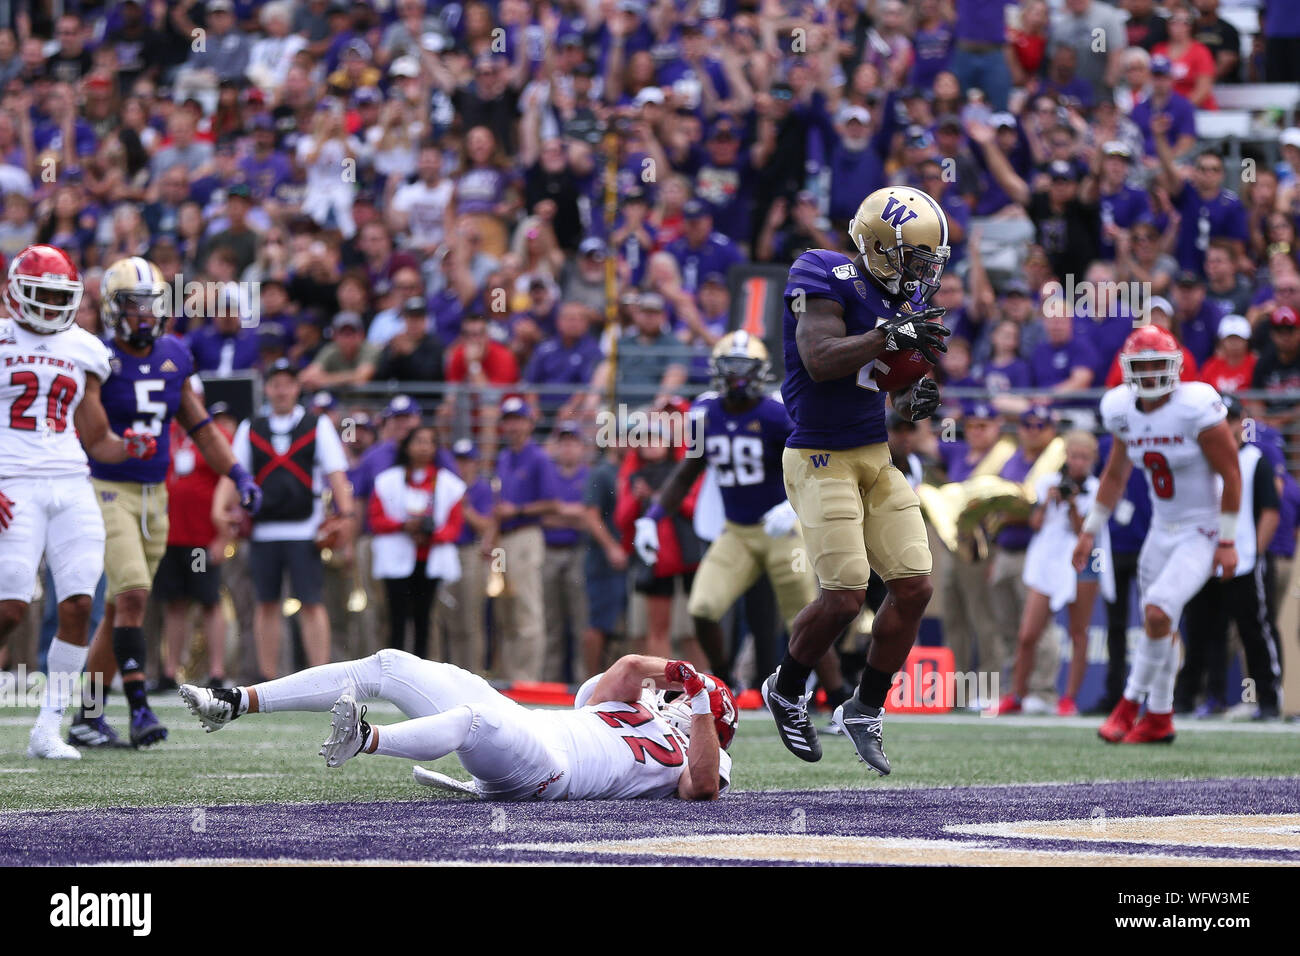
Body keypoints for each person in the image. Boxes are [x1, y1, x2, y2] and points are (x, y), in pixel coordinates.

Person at [763, 186, 951, 775]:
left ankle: (864, 707)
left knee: (915, 585)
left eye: (930, 255)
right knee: (844, 594)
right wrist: (886, 339)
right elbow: (820, 359)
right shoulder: (821, 270)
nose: (923, 267)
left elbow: (886, 373)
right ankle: (787, 686)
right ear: (877, 245)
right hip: (819, 454)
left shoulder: (909, 290)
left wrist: (912, 391)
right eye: (913, 254)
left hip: (873, 451)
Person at [75, 257, 262, 750]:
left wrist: (238, 472)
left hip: (156, 496)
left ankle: (86, 716)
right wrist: (121, 446)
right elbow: (92, 436)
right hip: (108, 488)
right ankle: (138, 709)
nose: (143, 314)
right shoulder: (95, 357)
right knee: (135, 595)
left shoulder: (175, 354)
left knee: (120, 608)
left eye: (151, 303)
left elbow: (200, 427)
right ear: (114, 309)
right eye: (133, 304)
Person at [180, 652, 734, 801]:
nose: (675, 700)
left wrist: (704, 705)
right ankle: (236, 700)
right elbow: (631, 669)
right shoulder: (630, 702)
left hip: (552, 774)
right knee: (393, 665)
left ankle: (365, 740)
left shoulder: (703, 756)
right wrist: (682, 673)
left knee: (476, 719)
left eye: (687, 701)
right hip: (528, 730)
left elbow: (701, 786)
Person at [0, 245, 157, 759]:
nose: (48, 306)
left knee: (80, 604)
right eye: (39, 295)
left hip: (71, 481)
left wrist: (126, 446)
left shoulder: (83, 347)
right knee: (11, 608)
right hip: (12, 481)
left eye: (58, 297)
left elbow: (96, 436)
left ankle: (48, 729)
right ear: (17, 293)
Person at [635, 333, 848, 703]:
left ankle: (838, 696)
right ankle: (725, 682)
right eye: (729, 372)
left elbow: (814, 465)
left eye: (743, 371)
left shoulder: (776, 412)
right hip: (736, 532)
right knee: (702, 608)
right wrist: (652, 517)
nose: (736, 380)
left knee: (805, 619)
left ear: (760, 373)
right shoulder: (705, 414)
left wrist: (792, 506)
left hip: (782, 531)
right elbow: (688, 471)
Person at [1073, 325, 1241, 744]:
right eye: (1141, 366)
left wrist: (1226, 539)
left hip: (1200, 529)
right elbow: (1114, 475)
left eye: (1157, 365)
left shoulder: (1195, 406)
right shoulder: (1121, 409)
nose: (1149, 375)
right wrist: (1090, 532)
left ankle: (1129, 705)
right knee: (1160, 625)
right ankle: (1161, 718)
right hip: (1160, 531)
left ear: (1175, 367)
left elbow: (1232, 474)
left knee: (1158, 613)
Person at [222, 359, 355, 680]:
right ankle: (270, 677)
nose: (282, 391)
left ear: (297, 388)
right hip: (263, 530)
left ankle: (320, 676)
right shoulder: (250, 427)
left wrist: (347, 516)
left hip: (305, 529)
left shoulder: (317, 425)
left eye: (288, 383)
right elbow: (234, 474)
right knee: (265, 604)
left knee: (311, 602)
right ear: (267, 388)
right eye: (275, 384)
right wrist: (221, 510)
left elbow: (336, 474)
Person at [1176, 394, 1282, 718]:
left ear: (1241, 422)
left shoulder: (1254, 460)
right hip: (1203, 560)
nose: (1227, 425)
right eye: (1221, 419)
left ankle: (1267, 699)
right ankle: (1194, 698)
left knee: (1253, 631)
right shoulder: (1199, 460)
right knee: (1199, 633)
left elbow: (1270, 510)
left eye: (1232, 419)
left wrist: (1254, 552)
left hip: (1242, 560)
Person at [997, 430, 1107, 717]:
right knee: (1027, 634)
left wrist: (1071, 503)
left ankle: (1068, 698)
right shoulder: (1047, 482)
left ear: (1092, 460)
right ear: (1066, 456)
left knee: (1078, 632)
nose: (1078, 462)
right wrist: (1048, 501)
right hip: (1047, 561)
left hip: (1080, 563)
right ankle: (1017, 694)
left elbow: (1083, 529)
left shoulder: (1097, 490)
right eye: (1074, 456)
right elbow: (1034, 523)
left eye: (1084, 457)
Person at [152, 400, 238, 696]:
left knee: (208, 601)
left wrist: (223, 536)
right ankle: (169, 671)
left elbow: (232, 477)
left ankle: (216, 672)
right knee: (174, 603)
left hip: (201, 538)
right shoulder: (166, 432)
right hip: (169, 535)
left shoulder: (212, 435)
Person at [368, 425, 465, 662]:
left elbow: (454, 526)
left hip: (429, 559)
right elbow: (376, 519)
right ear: (407, 446)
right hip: (397, 558)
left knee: (425, 618)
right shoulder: (387, 481)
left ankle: (420, 670)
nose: (423, 447)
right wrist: (403, 526)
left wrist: (431, 534)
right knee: (396, 617)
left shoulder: (448, 483)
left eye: (428, 442)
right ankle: (392, 668)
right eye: (418, 441)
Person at [489, 397, 554, 679]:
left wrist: (518, 509)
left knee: (527, 608)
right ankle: (509, 674)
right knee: (506, 609)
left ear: (529, 423)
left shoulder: (538, 457)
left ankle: (527, 678)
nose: (513, 425)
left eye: (518, 419)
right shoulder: (503, 457)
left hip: (526, 534)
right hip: (504, 537)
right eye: (509, 420)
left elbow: (553, 503)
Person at [539, 421, 590, 683]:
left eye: (573, 442)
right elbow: (540, 515)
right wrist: (572, 514)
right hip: (549, 550)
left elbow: (590, 517)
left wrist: (557, 510)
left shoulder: (589, 476)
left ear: (582, 447)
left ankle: (582, 682)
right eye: (564, 442)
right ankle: (548, 683)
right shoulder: (547, 474)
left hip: (579, 550)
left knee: (581, 621)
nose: (568, 448)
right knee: (551, 623)